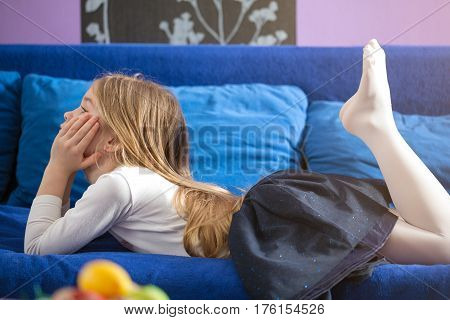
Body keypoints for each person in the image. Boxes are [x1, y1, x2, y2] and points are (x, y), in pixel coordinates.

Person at [24, 39, 450, 266]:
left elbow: (38, 250)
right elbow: (62, 226)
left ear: (114, 139)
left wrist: (56, 169)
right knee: (438, 241)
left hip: (284, 228)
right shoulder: (139, 183)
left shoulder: (116, 187)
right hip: (283, 217)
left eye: (83, 108)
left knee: (444, 248)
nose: (67, 114)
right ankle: (376, 127)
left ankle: (379, 128)